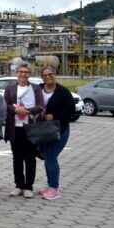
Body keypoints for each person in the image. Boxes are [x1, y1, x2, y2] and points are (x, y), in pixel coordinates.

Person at [4, 63, 43, 199]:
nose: (23, 74)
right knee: (17, 158)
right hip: (15, 128)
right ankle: (19, 185)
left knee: (30, 158)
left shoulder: (36, 88)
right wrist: (15, 110)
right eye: (21, 71)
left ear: (29, 74)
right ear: (17, 73)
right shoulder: (10, 88)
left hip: (30, 127)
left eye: (26, 72)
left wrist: (27, 111)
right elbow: (6, 105)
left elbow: (40, 106)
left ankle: (28, 187)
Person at [37, 66, 75, 200]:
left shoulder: (63, 92)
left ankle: (54, 189)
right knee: (47, 157)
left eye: (50, 74)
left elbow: (71, 111)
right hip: (42, 130)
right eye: (45, 75)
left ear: (55, 75)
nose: (48, 77)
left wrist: (55, 117)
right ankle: (49, 185)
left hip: (60, 130)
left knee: (51, 157)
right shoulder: (38, 89)